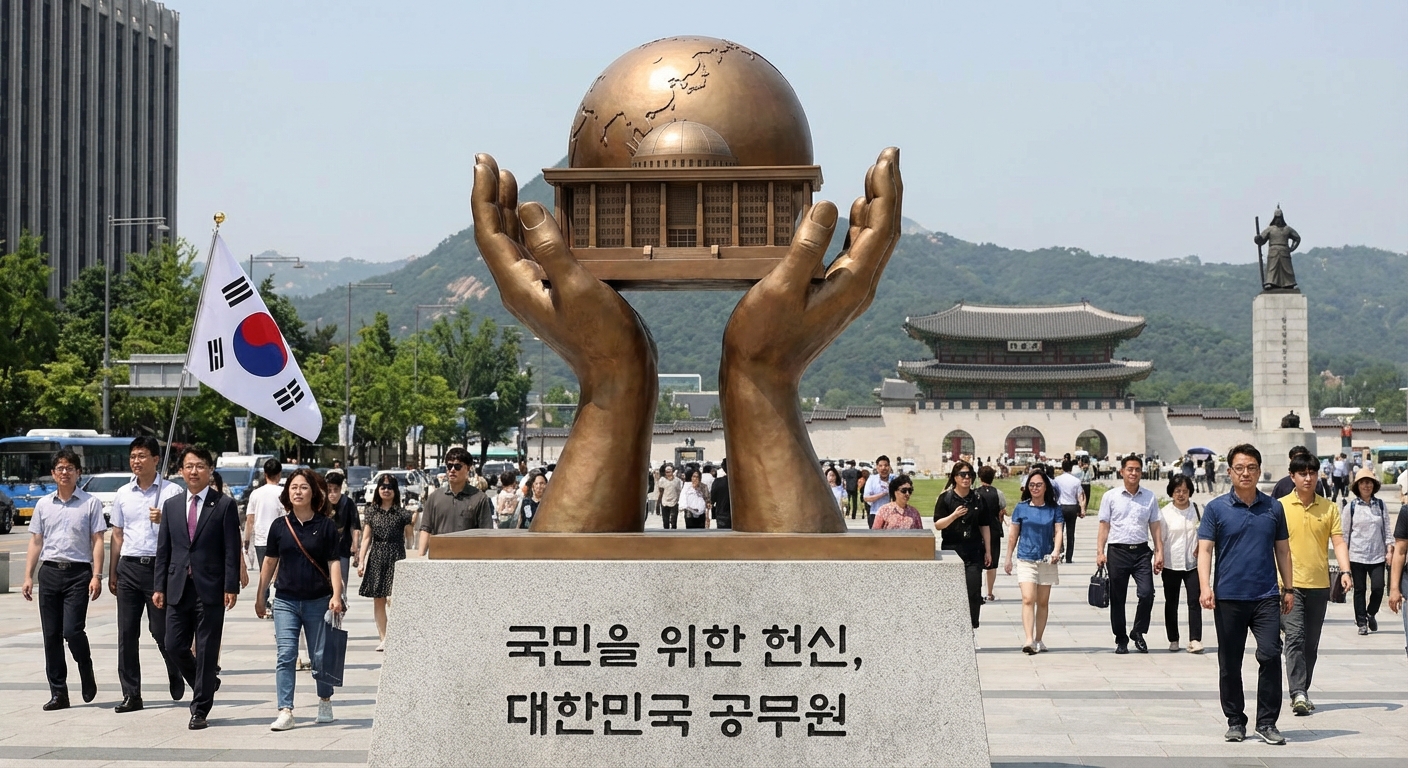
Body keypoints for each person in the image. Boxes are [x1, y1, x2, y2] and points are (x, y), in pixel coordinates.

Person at [1198, 443, 1293, 745]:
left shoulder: (1273, 508)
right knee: (1230, 662)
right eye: (1239, 468)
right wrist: (1205, 587)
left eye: (1251, 467)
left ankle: (1267, 722)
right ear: (1229, 472)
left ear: (1259, 470)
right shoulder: (1216, 509)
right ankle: (1235, 720)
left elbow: (1283, 550)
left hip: (1266, 595)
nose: (1245, 473)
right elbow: (1205, 550)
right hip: (1229, 596)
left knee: (1271, 654)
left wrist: (1289, 588)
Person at [153, 446, 242, 731]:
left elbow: (231, 549)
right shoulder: (171, 506)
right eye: (189, 466)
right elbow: (164, 549)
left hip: (211, 588)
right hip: (178, 586)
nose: (194, 471)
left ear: (210, 470)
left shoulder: (224, 505)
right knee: (173, 644)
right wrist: (159, 586)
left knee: (206, 649)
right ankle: (206, 683)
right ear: (181, 471)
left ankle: (200, 708)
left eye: (200, 466)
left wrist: (231, 586)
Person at [255, 469, 344, 731]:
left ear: (313, 493)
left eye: (303, 487)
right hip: (286, 601)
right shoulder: (279, 526)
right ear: (287, 493)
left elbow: (334, 562)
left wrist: (336, 595)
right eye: (293, 487)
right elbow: (269, 562)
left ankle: (325, 700)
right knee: (286, 654)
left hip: (318, 600)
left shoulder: (325, 526)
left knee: (319, 657)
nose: (298, 492)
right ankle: (285, 710)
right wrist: (261, 595)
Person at [21, 449, 107, 711]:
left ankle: (85, 665)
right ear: (53, 473)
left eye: (70, 468)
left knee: (72, 630)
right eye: (60, 468)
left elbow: (98, 540)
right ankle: (59, 692)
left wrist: (97, 575)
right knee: (51, 635)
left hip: (78, 574)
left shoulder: (90, 503)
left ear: (78, 472)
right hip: (49, 573)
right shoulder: (43, 504)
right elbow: (36, 541)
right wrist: (28, 576)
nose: (65, 472)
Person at [108, 437, 186, 712]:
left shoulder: (173, 492)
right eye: (133, 456)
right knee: (127, 633)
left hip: (159, 568)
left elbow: (186, 531)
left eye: (142, 456)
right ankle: (132, 694)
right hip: (129, 567)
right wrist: (112, 571)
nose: (136, 461)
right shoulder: (123, 493)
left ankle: (175, 668)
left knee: (161, 631)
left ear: (156, 459)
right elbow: (117, 534)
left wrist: (165, 519)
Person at [1279, 451, 1352, 716]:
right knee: (1295, 637)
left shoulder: (1329, 507)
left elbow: (1338, 541)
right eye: (1302, 474)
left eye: (1312, 473)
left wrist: (1345, 570)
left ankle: (1302, 690)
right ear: (1292, 477)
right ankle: (1298, 692)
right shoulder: (1280, 507)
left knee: (1310, 643)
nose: (1308, 478)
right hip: (1289, 585)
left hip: (1319, 584)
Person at [1095, 455, 1164, 654]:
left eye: (1137, 470)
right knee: (1118, 598)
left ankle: (1138, 631)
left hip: (1141, 552)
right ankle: (1121, 638)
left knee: (1147, 593)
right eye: (1130, 469)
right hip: (1117, 552)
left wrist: (1159, 551)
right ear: (1122, 472)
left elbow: (1155, 525)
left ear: (1142, 472)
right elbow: (1104, 525)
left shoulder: (1149, 497)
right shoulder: (1111, 496)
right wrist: (1100, 552)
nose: (1134, 473)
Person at [1005, 471, 1062, 654]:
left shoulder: (1054, 509)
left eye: (1038, 485)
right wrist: (1008, 557)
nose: (1035, 488)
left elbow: (1058, 531)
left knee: (1043, 602)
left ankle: (1039, 639)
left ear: (1046, 487)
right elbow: (1013, 535)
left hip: (1046, 559)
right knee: (1028, 598)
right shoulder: (1021, 508)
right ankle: (1029, 639)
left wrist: (1056, 550)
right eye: (1031, 485)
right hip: (1026, 558)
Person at [933, 460, 992, 631]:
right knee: (951, 593)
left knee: (973, 592)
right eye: (962, 475)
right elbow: (938, 525)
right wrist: (954, 515)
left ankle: (971, 626)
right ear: (955, 477)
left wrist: (988, 551)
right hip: (952, 550)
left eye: (969, 475)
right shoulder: (946, 498)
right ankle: (950, 627)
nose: (966, 478)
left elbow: (985, 525)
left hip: (973, 551)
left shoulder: (978, 498)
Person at [358, 475, 412, 650]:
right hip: (377, 556)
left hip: (397, 557)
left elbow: (410, 539)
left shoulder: (403, 514)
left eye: (389, 487)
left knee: (396, 599)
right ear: (378, 490)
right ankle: (384, 638)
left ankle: (397, 636)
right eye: (383, 487)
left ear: (395, 490)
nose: (386, 490)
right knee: (379, 599)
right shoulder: (371, 512)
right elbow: (366, 538)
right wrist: (361, 560)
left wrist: (412, 560)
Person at [417, 447, 495, 556]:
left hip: (468, 558)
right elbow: (426, 529)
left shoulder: (479, 498)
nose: (452, 470)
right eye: (449, 466)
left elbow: (486, 533)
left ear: (468, 468)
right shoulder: (434, 497)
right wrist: (420, 557)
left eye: (457, 466)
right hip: (439, 558)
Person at [1343, 468, 1392, 635]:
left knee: (1378, 588)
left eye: (1369, 482)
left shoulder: (1380, 505)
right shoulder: (1351, 507)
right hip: (1356, 555)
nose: (1366, 486)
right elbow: (1345, 535)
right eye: (1363, 483)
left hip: (1377, 555)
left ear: (1374, 485)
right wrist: (1344, 560)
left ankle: (1371, 613)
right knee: (1359, 590)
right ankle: (1361, 622)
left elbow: (1387, 529)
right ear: (1357, 486)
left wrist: (1389, 549)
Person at [1159, 475, 1204, 653]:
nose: (1181, 495)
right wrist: (1159, 557)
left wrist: (1201, 546)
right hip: (1171, 563)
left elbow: (1204, 532)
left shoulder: (1197, 510)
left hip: (1192, 563)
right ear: (1171, 492)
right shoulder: (1165, 513)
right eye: (1177, 491)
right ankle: (1173, 638)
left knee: (1194, 601)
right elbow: (1159, 538)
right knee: (1172, 602)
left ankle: (1195, 639)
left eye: (1184, 491)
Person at [243, 459, 286, 613]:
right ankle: (277, 601)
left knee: (264, 572)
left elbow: (250, 519)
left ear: (265, 474)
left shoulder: (256, 494)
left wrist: (247, 539)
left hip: (261, 539)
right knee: (280, 572)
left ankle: (266, 601)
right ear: (279, 474)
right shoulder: (283, 493)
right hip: (281, 538)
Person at [324, 471, 360, 598]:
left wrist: (355, 547)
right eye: (329, 490)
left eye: (336, 490)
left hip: (342, 549)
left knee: (341, 583)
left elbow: (355, 526)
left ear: (340, 489)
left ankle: (341, 604)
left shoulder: (348, 503)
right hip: (323, 549)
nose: (332, 494)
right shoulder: (322, 503)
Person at [976, 465, 1008, 602]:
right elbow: (1002, 510)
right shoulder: (998, 493)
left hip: (978, 530)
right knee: (992, 563)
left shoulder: (975, 493)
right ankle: (989, 592)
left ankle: (976, 591)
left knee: (977, 563)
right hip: (994, 530)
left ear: (979, 477)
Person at [1052, 459, 1086, 564]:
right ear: (1071, 468)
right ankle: (1069, 557)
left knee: (1059, 531)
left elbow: (1054, 494)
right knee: (1071, 533)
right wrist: (1082, 509)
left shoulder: (1057, 480)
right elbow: (1080, 496)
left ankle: (1059, 552)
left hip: (1060, 506)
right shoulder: (1076, 481)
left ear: (1062, 468)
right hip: (1072, 507)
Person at [862, 456, 894, 529]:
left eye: (886, 465)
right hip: (875, 513)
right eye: (880, 466)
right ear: (877, 467)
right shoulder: (872, 479)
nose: (883, 468)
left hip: (892, 514)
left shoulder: (894, 479)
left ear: (889, 467)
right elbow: (866, 498)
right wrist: (883, 493)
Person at [656, 465, 683, 530]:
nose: (668, 474)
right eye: (667, 472)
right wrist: (658, 504)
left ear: (672, 472)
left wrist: (679, 502)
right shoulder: (662, 480)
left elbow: (679, 491)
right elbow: (660, 492)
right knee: (666, 522)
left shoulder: (677, 480)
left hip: (674, 502)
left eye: (669, 472)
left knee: (674, 522)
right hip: (664, 502)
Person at [710, 459, 732, 530]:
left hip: (721, 513)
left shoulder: (718, 482)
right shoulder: (740, 482)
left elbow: (712, 498)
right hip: (738, 514)